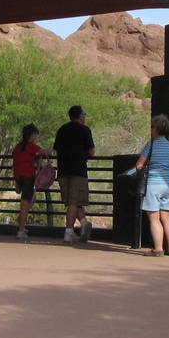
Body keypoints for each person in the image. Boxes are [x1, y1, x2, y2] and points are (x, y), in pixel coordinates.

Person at [131, 113, 169, 256]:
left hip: (154, 184)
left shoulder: (151, 145)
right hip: (168, 185)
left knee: (154, 218)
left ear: (156, 129)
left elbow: (139, 165)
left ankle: (158, 249)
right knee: (167, 217)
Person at [52, 104, 95, 243]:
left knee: (71, 201)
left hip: (63, 170)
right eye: (84, 114)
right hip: (78, 170)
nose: (85, 116)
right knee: (74, 202)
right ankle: (69, 231)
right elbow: (91, 151)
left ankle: (83, 222)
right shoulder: (85, 130)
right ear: (80, 115)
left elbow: (56, 150)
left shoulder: (62, 130)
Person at [10, 123, 48, 242]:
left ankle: (19, 221)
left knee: (31, 199)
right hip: (28, 176)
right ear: (32, 135)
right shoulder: (31, 146)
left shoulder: (17, 147)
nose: (36, 139)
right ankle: (21, 229)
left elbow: (16, 162)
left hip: (18, 176)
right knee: (26, 201)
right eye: (36, 136)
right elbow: (44, 152)